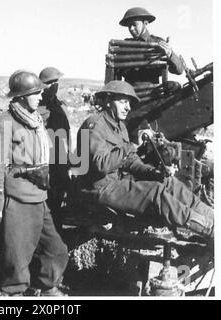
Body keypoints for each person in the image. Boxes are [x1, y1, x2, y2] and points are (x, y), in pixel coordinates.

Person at [77, 80, 213, 240]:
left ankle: (212, 218)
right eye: (122, 102)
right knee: (155, 193)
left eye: (128, 103)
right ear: (108, 101)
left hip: (116, 182)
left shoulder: (119, 126)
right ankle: (209, 230)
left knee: (168, 182)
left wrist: (155, 172)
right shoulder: (94, 125)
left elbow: (130, 161)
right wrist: (132, 145)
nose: (127, 107)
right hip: (99, 188)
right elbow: (101, 165)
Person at [0, 70, 69, 296]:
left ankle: (44, 284)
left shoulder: (36, 120)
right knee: (17, 255)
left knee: (56, 250)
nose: (40, 97)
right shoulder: (3, 124)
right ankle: (14, 293)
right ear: (22, 96)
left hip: (40, 196)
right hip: (18, 198)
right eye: (35, 93)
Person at [38, 67, 71, 232]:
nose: (53, 86)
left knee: (58, 205)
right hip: (46, 163)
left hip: (61, 162)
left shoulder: (60, 106)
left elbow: (67, 134)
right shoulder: (36, 109)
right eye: (49, 83)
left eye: (56, 82)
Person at [118, 7, 184, 85]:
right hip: (129, 94)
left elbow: (179, 70)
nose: (131, 29)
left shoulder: (158, 43)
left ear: (145, 23)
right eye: (129, 26)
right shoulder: (125, 46)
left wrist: (170, 54)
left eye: (134, 24)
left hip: (153, 94)